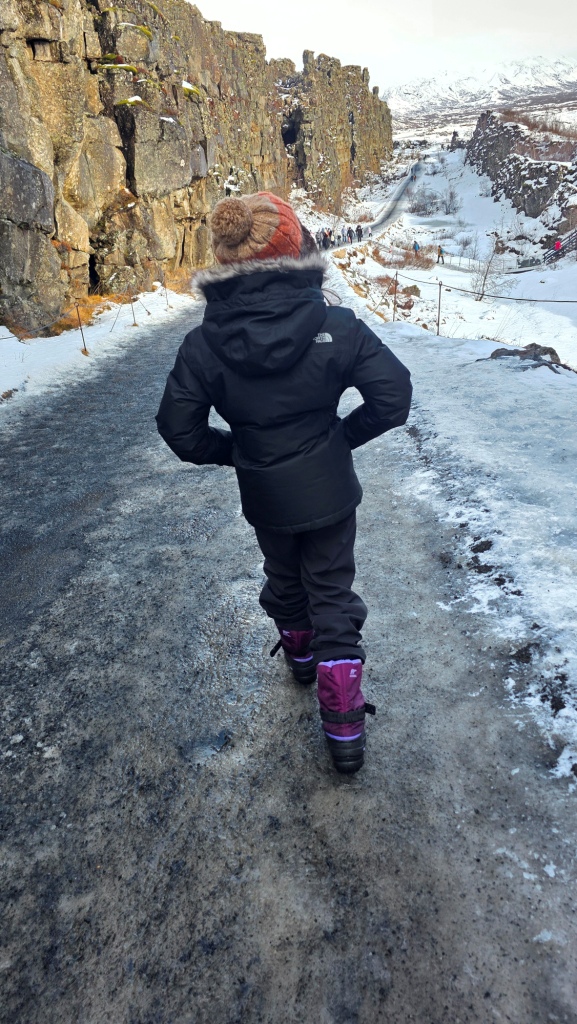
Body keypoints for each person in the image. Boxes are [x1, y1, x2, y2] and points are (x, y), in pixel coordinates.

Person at [156, 192, 412, 774]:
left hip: (263, 493)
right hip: (329, 491)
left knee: (282, 572)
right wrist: (343, 438)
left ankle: (300, 657)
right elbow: (393, 397)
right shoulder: (336, 326)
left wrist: (237, 451)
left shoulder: (203, 345)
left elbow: (179, 428)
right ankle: (344, 724)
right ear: (294, 247)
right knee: (331, 587)